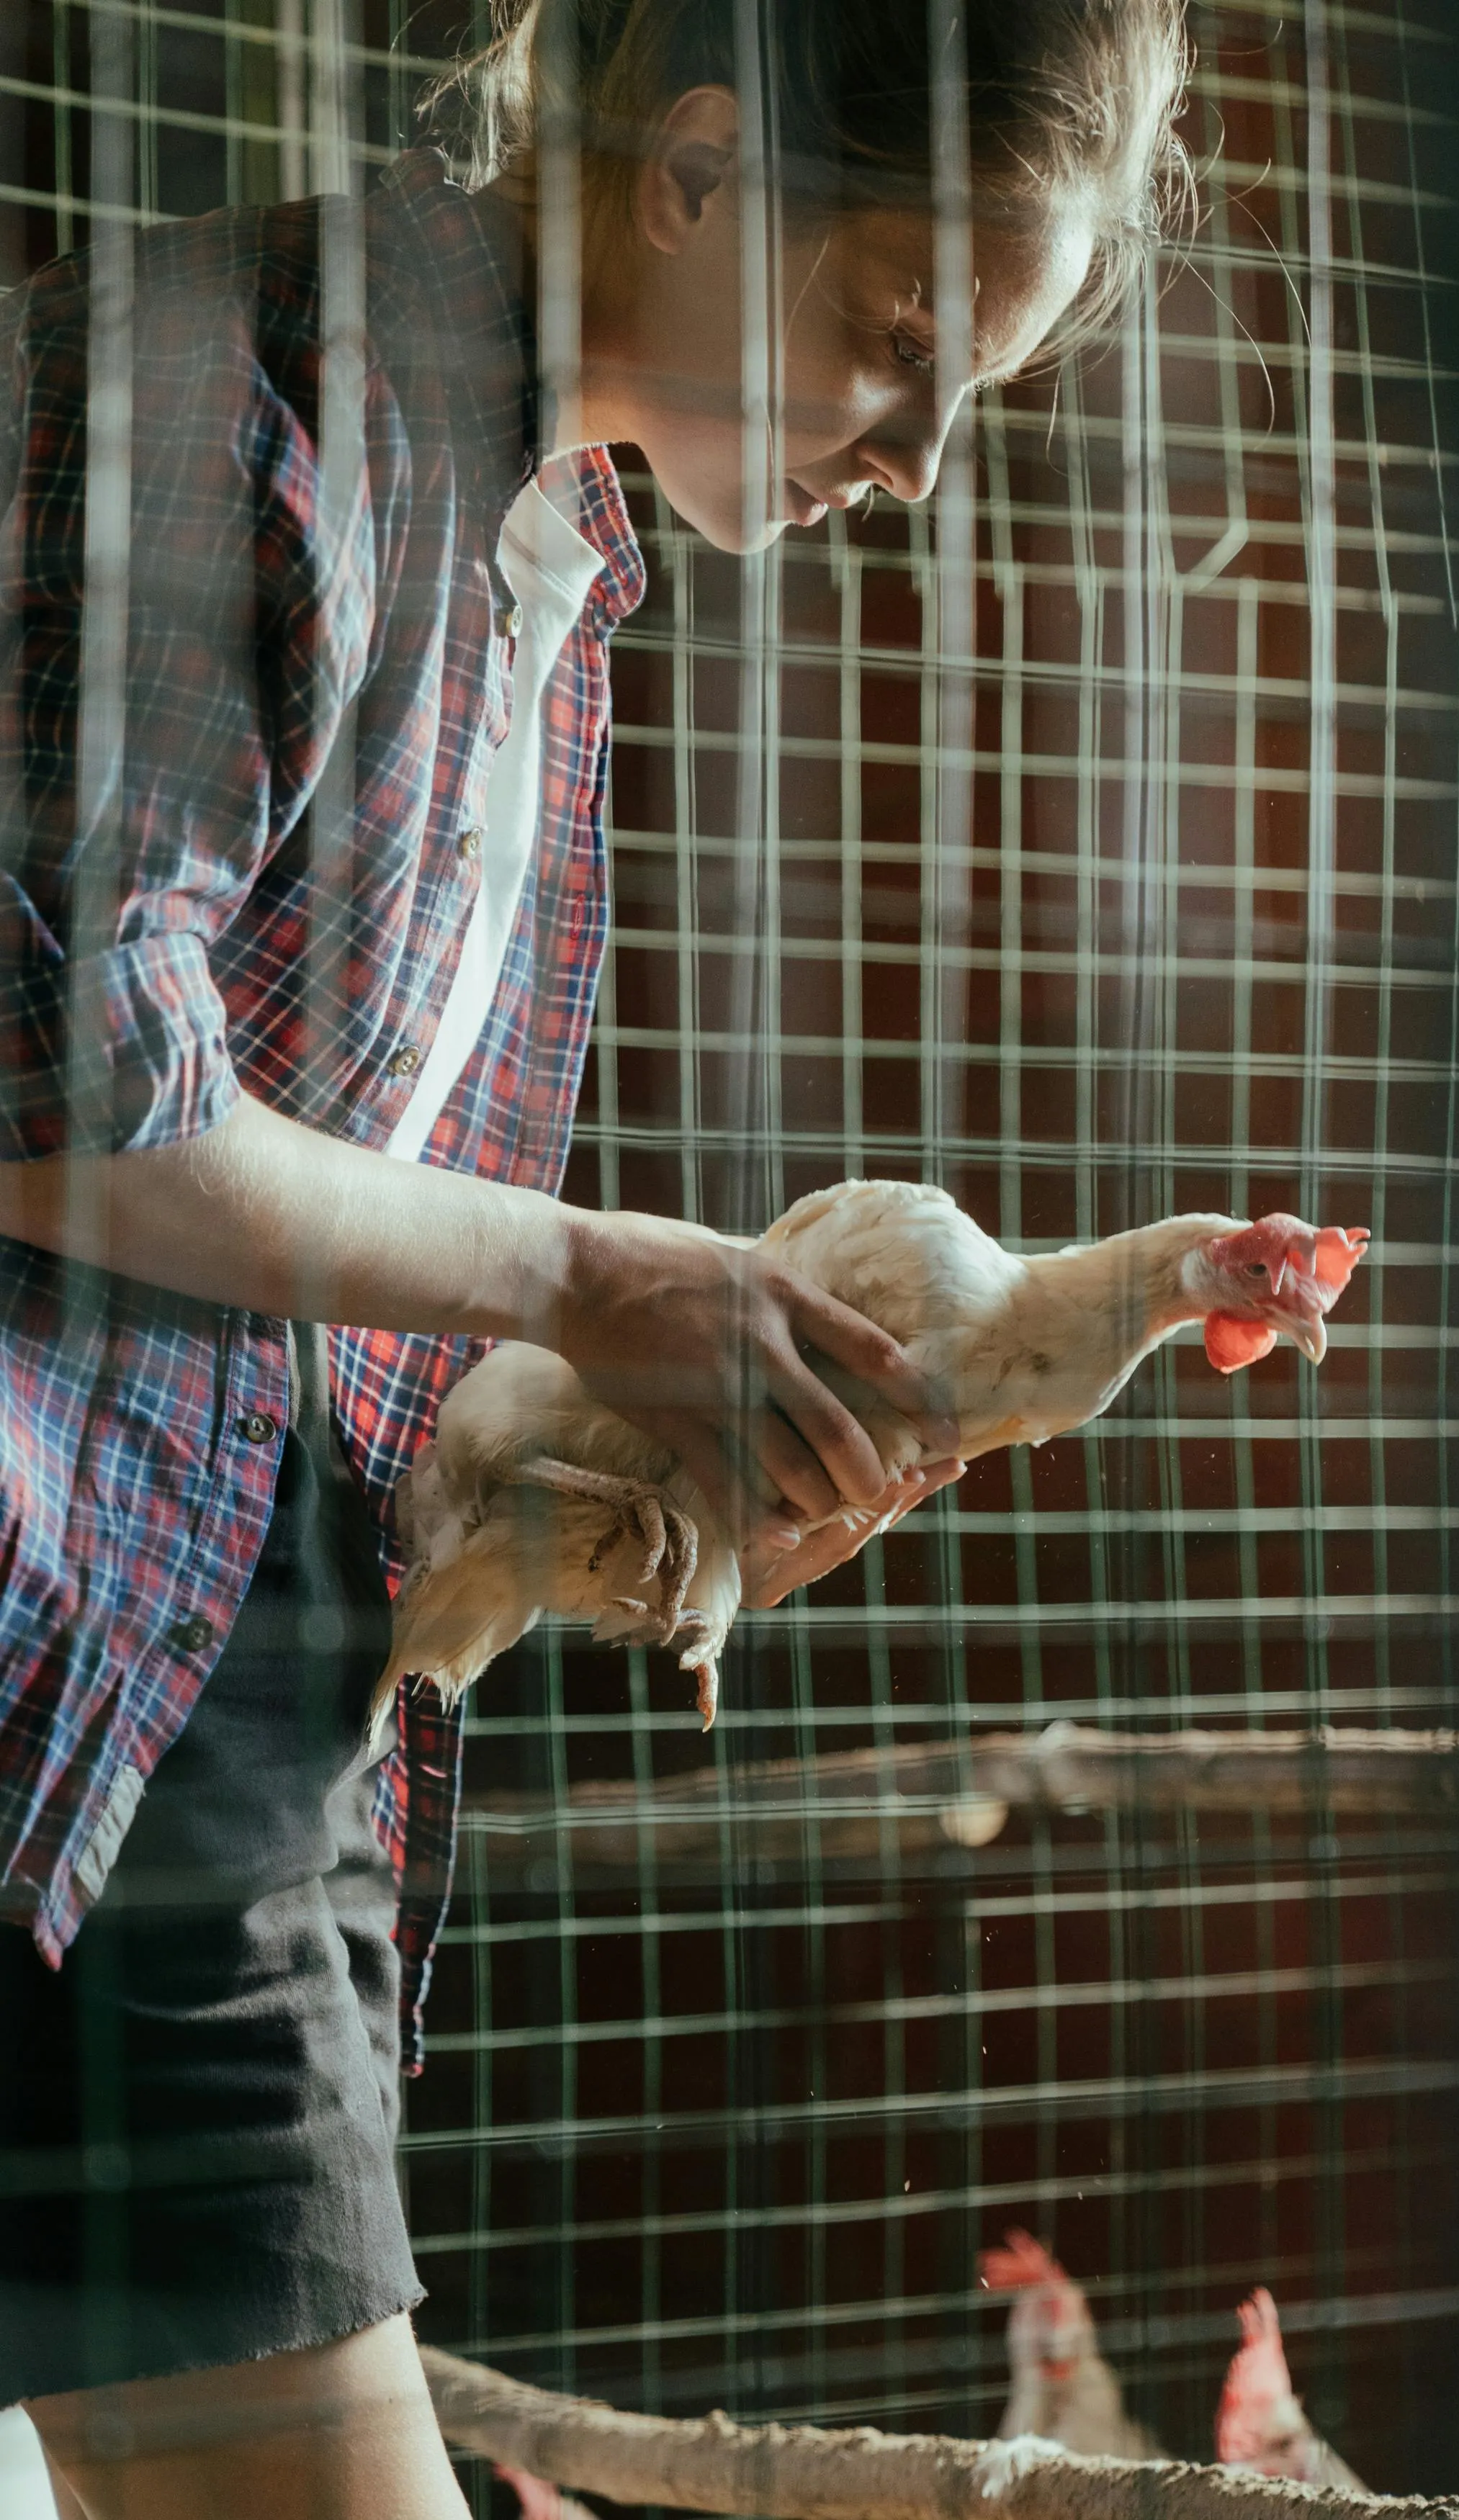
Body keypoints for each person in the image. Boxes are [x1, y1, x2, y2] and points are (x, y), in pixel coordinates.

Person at [0, 1, 1188, 2511]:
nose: (919, 456)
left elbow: (309, 1266)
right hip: (65, 1643)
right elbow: (71, 1087)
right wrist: (591, 1284)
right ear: (693, 173)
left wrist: (597, 1465)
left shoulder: (562, 544)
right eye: (893, 342)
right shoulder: (240, 391)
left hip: (223, 1671)